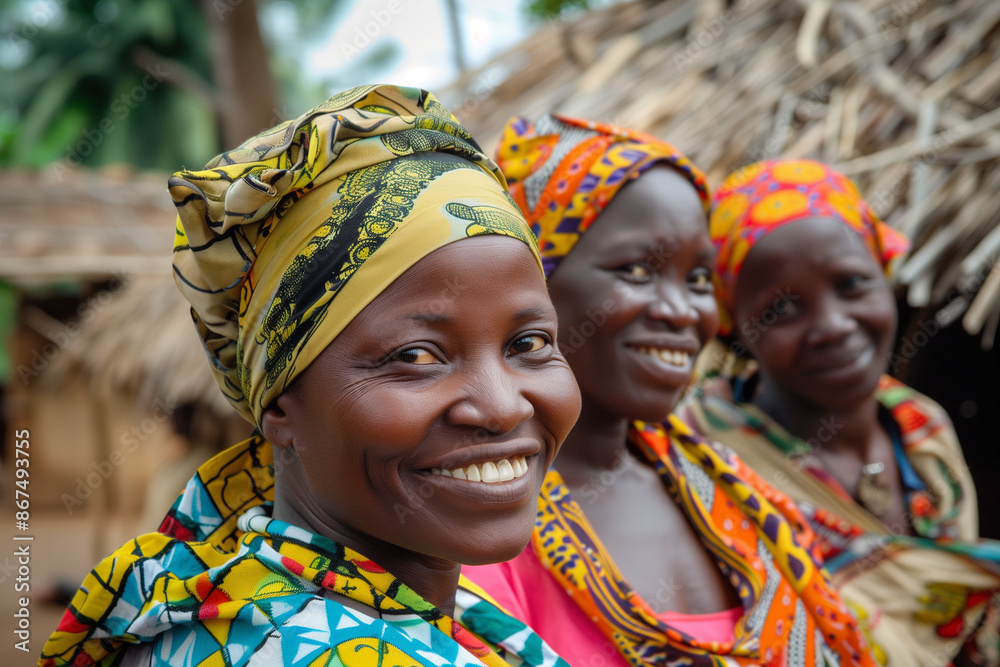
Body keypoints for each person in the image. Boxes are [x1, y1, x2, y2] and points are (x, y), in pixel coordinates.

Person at [39, 85, 582, 667]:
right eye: (415, 356)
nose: (502, 407)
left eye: (528, 343)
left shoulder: (397, 615)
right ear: (279, 404)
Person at [462, 117, 876, 667]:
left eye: (699, 279)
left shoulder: (729, 489)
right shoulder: (481, 524)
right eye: (636, 270)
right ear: (534, 279)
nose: (683, 312)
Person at [679, 158, 1000, 666]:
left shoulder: (923, 426)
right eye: (780, 309)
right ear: (733, 326)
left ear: (883, 272)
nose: (832, 325)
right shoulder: (704, 465)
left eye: (852, 284)